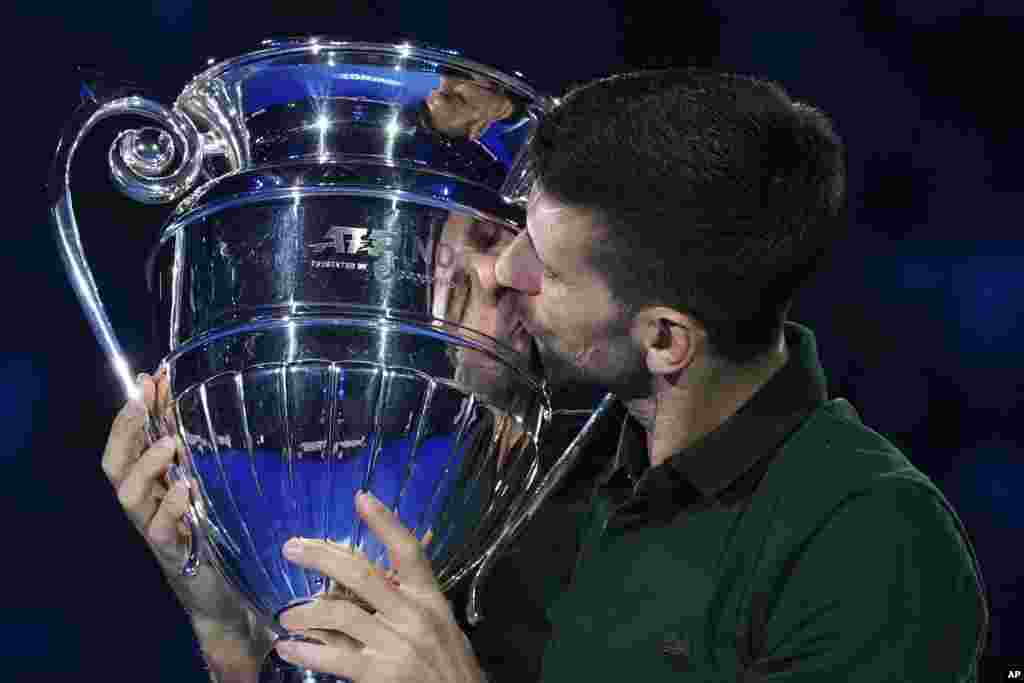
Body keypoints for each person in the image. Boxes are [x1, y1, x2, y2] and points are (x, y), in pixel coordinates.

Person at [105, 67, 989, 682]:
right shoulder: (519, 447)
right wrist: (235, 636)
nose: (502, 271)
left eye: (548, 267)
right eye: (518, 228)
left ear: (665, 340)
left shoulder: (872, 541)